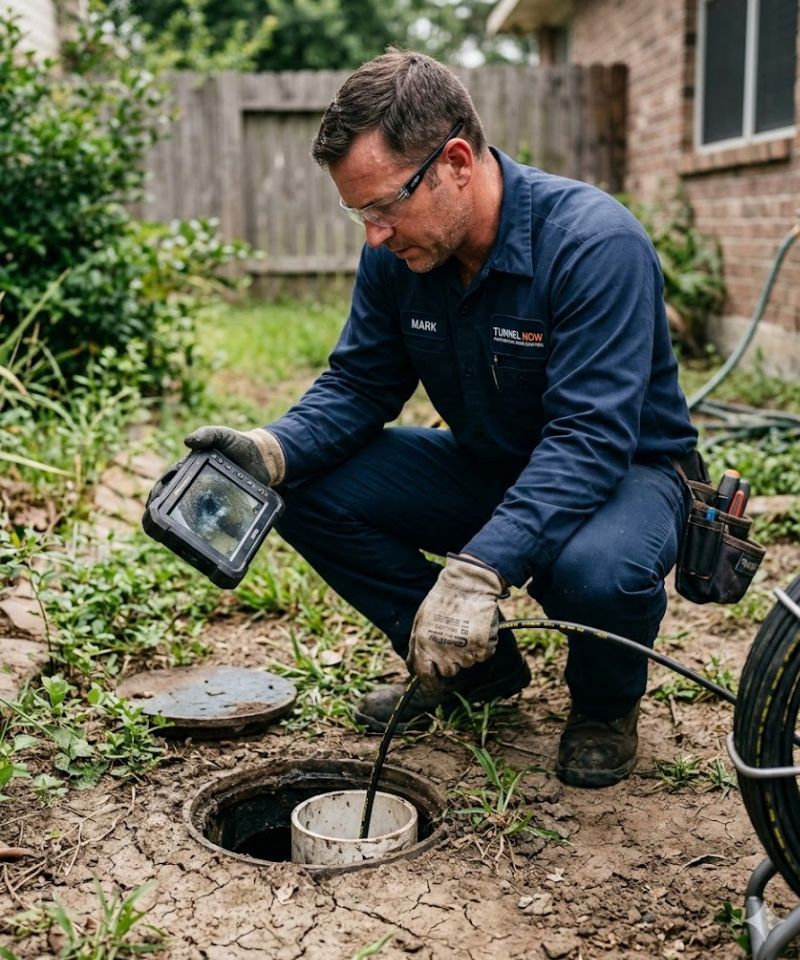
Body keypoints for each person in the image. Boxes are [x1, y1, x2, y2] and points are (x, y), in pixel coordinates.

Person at [179, 50, 700, 789]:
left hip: (626, 475)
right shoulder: (401, 259)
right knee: (303, 485)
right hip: (494, 463)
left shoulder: (591, 243)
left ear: (456, 160)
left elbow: (589, 440)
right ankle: (480, 675)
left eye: (385, 206)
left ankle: (604, 706)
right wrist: (270, 450)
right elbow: (360, 382)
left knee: (597, 572)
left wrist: (478, 570)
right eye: (359, 213)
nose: (376, 235)